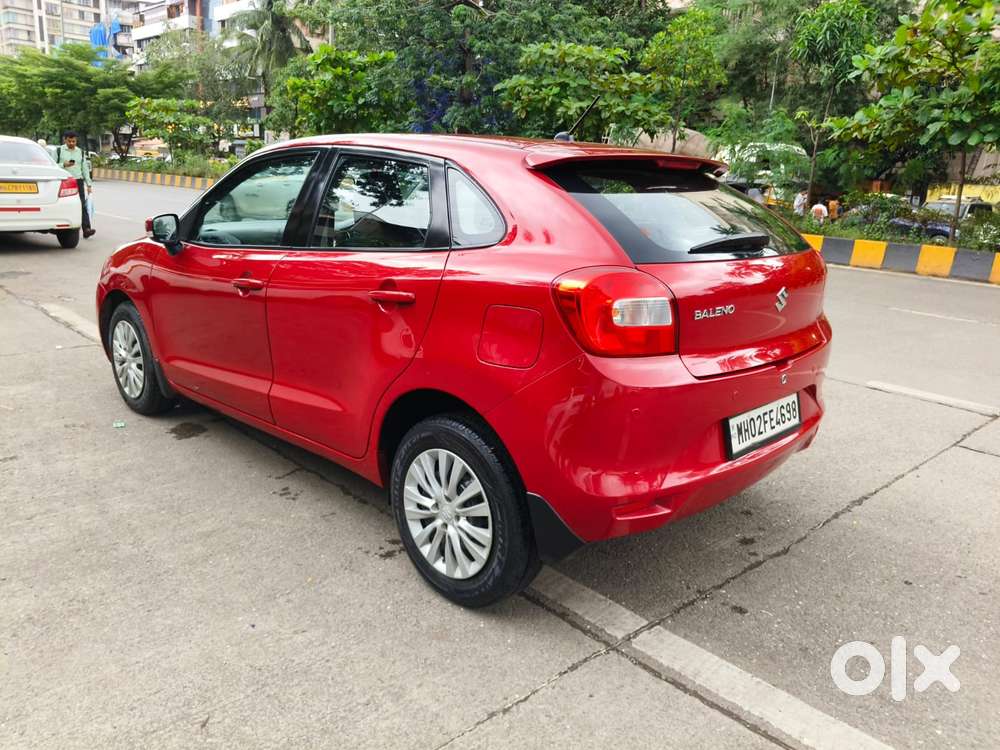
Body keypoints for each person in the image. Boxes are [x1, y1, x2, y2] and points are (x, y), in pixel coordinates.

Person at [56, 131, 95, 238]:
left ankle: (86, 229)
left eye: (74, 141)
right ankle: (64, 229)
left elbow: (85, 169)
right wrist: (64, 164)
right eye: (69, 141)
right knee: (64, 204)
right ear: (65, 140)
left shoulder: (80, 152)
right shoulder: (59, 151)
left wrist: (89, 185)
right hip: (64, 180)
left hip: (78, 181)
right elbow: (53, 165)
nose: (72, 143)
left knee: (82, 205)